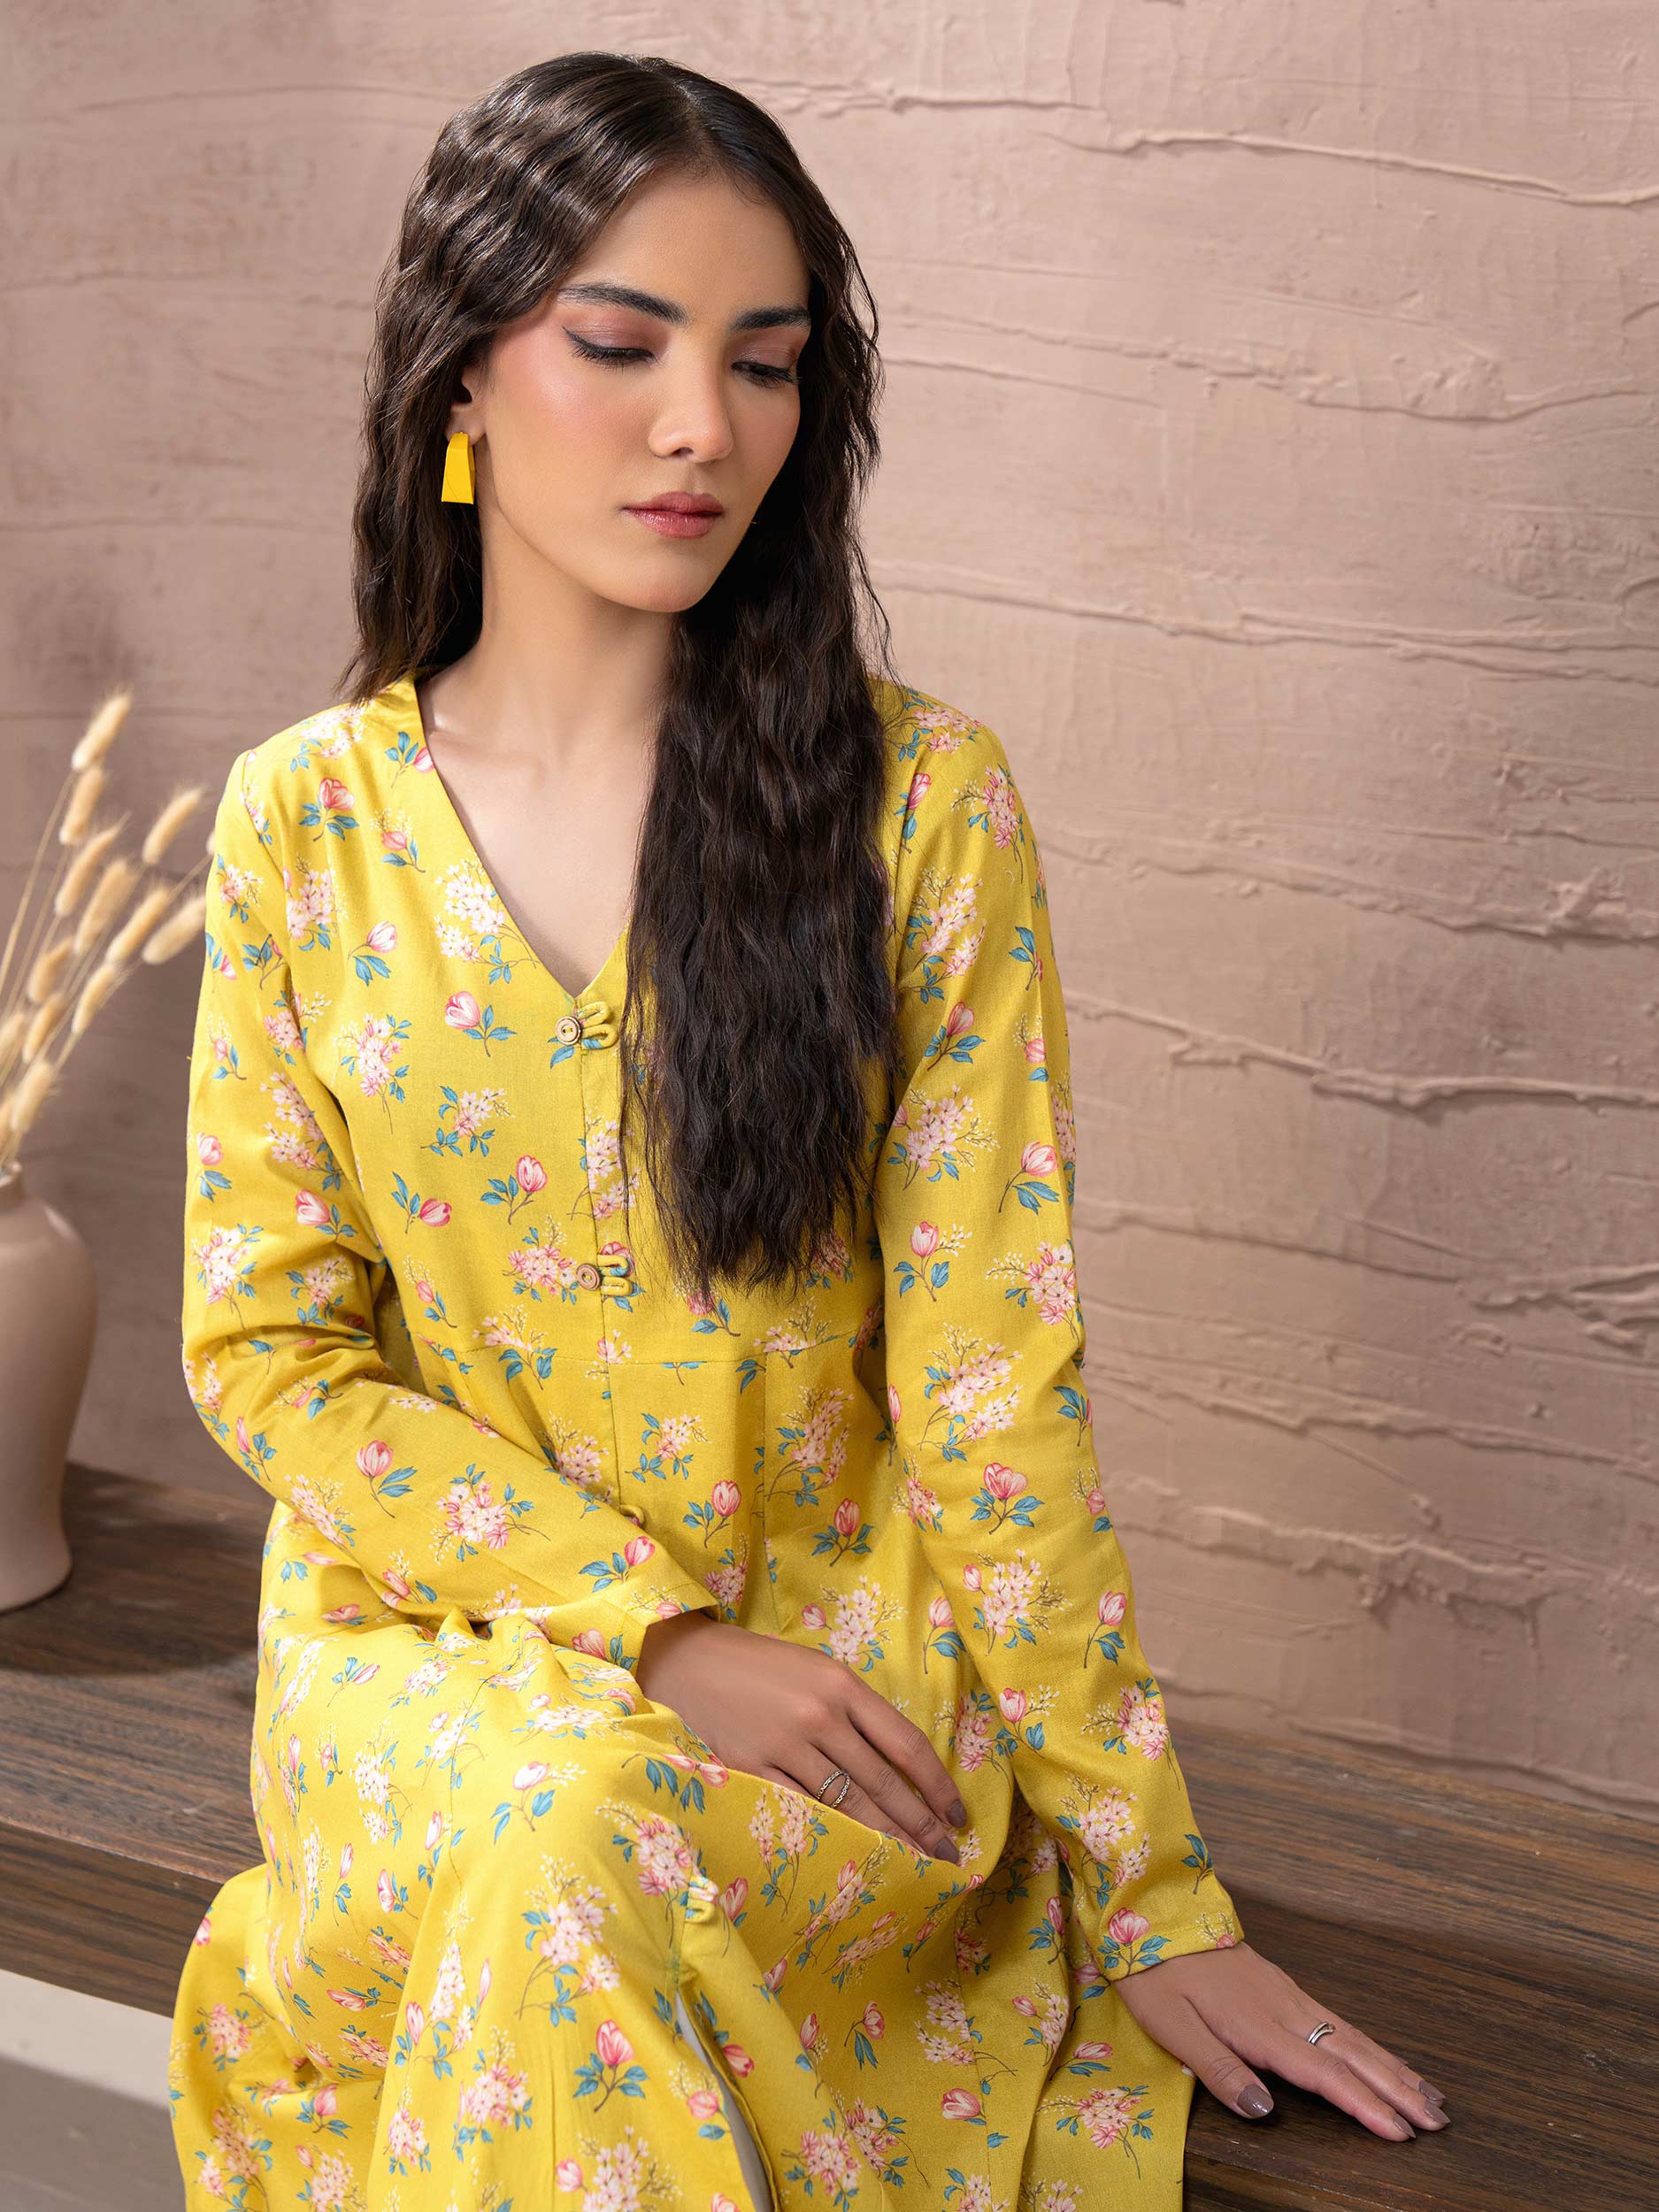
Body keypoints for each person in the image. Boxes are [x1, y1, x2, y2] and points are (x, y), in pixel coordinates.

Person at [167, 49, 1450, 2212]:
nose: (702, 425)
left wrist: (1150, 1891)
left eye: (761, 364)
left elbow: (989, 1398)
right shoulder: (305, 825)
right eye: (621, 344)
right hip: (426, 1682)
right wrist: (651, 1632)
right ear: (460, 373)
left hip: (837, 1716)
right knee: (553, 1825)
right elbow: (270, 1355)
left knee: (583, 1854)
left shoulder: (916, 813)